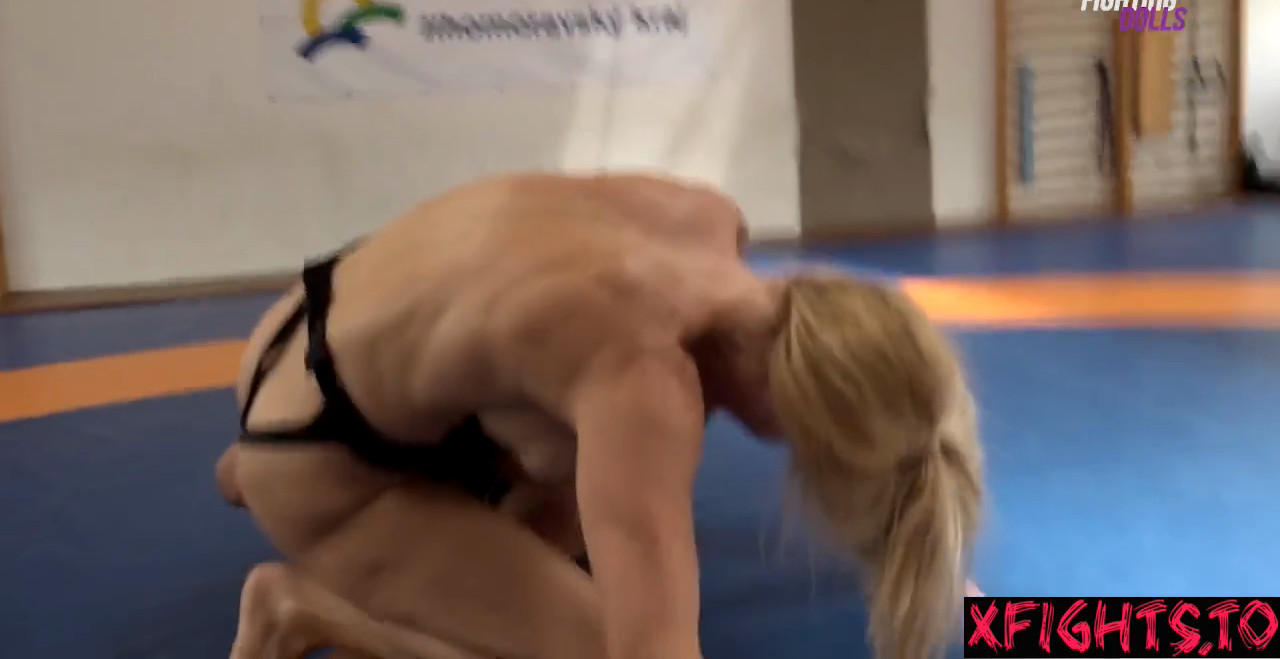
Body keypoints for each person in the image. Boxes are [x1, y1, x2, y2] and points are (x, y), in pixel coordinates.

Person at [215, 171, 984, 659]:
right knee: (593, 645)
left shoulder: (709, 222)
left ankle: (312, 498)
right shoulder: (646, 386)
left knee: (566, 460)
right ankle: (303, 609)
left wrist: (966, 595)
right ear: (790, 408)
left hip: (303, 330)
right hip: (312, 450)